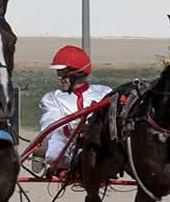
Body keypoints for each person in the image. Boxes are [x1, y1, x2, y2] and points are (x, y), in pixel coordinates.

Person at [31, 45, 113, 177]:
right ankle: (48, 155)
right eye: (58, 74)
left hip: (95, 141)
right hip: (67, 142)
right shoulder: (52, 98)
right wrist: (73, 129)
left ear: (78, 73)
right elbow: (50, 121)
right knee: (54, 144)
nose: (59, 77)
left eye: (63, 74)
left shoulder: (103, 93)